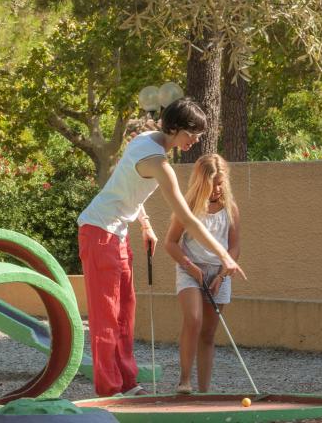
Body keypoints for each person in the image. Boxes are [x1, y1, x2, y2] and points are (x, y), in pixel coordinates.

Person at [77, 96, 245, 398]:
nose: (195, 140)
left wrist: (145, 224)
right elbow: (189, 220)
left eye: (199, 134)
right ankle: (110, 391)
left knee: (125, 313)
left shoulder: (145, 140)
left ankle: (128, 383)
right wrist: (224, 256)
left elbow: (128, 186)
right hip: (98, 231)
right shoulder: (159, 163)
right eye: (192, 133)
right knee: (107, 316)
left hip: (117, 232)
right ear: (176, 128)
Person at [164, 153, 241, 394]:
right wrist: (190, 266)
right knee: (194, 320)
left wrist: (221, 276)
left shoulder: (230, 209)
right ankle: (184, 381)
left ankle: (204, 391)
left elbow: (234, 248)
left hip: (218, 274)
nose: (218, 188)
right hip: (190, 269)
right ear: (201, 181)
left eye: (221, 182)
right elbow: (170, 243)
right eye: (213, 183)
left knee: (208, 333)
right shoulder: (187, 208)